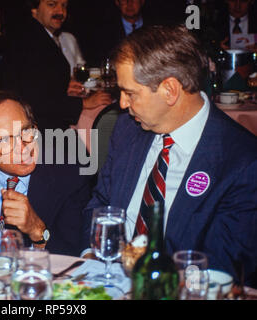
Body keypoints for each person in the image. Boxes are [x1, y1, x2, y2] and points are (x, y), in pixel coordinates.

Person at [83, 25, 257, 287]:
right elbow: (101, 203)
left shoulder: (241, 161)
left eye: (130, 93)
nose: (121, 104)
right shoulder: (127, 129)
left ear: (170, 90)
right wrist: (92, 255)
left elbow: (223, 264)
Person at [0, 90, 92, 256]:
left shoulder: (68, 175)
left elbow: (73, 254)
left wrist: (38, 231)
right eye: (3, 140)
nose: (23, 148)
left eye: (26, 131)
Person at [1, 0, 112, 131]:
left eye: (64, 6)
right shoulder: (28, 41)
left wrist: (64, 85)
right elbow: (34, 98)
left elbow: (41, 83)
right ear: (34, 9)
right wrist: (83, 103)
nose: (60, 12)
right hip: (39, 131)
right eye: (52, 4)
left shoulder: (39, 36)